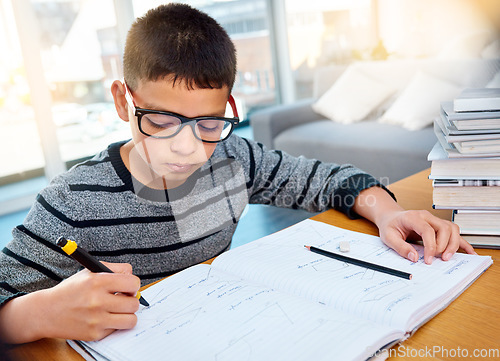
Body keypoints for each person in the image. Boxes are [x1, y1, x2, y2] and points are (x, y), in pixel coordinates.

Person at [0, 3, 475, 344]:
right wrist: (36, 313)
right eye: (161, 121)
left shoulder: (233, 160)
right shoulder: (71, 203)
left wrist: (387, 213)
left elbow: (332, 179)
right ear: (124, 100)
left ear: (229, 107)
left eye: (208, 123)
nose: (187, 147)